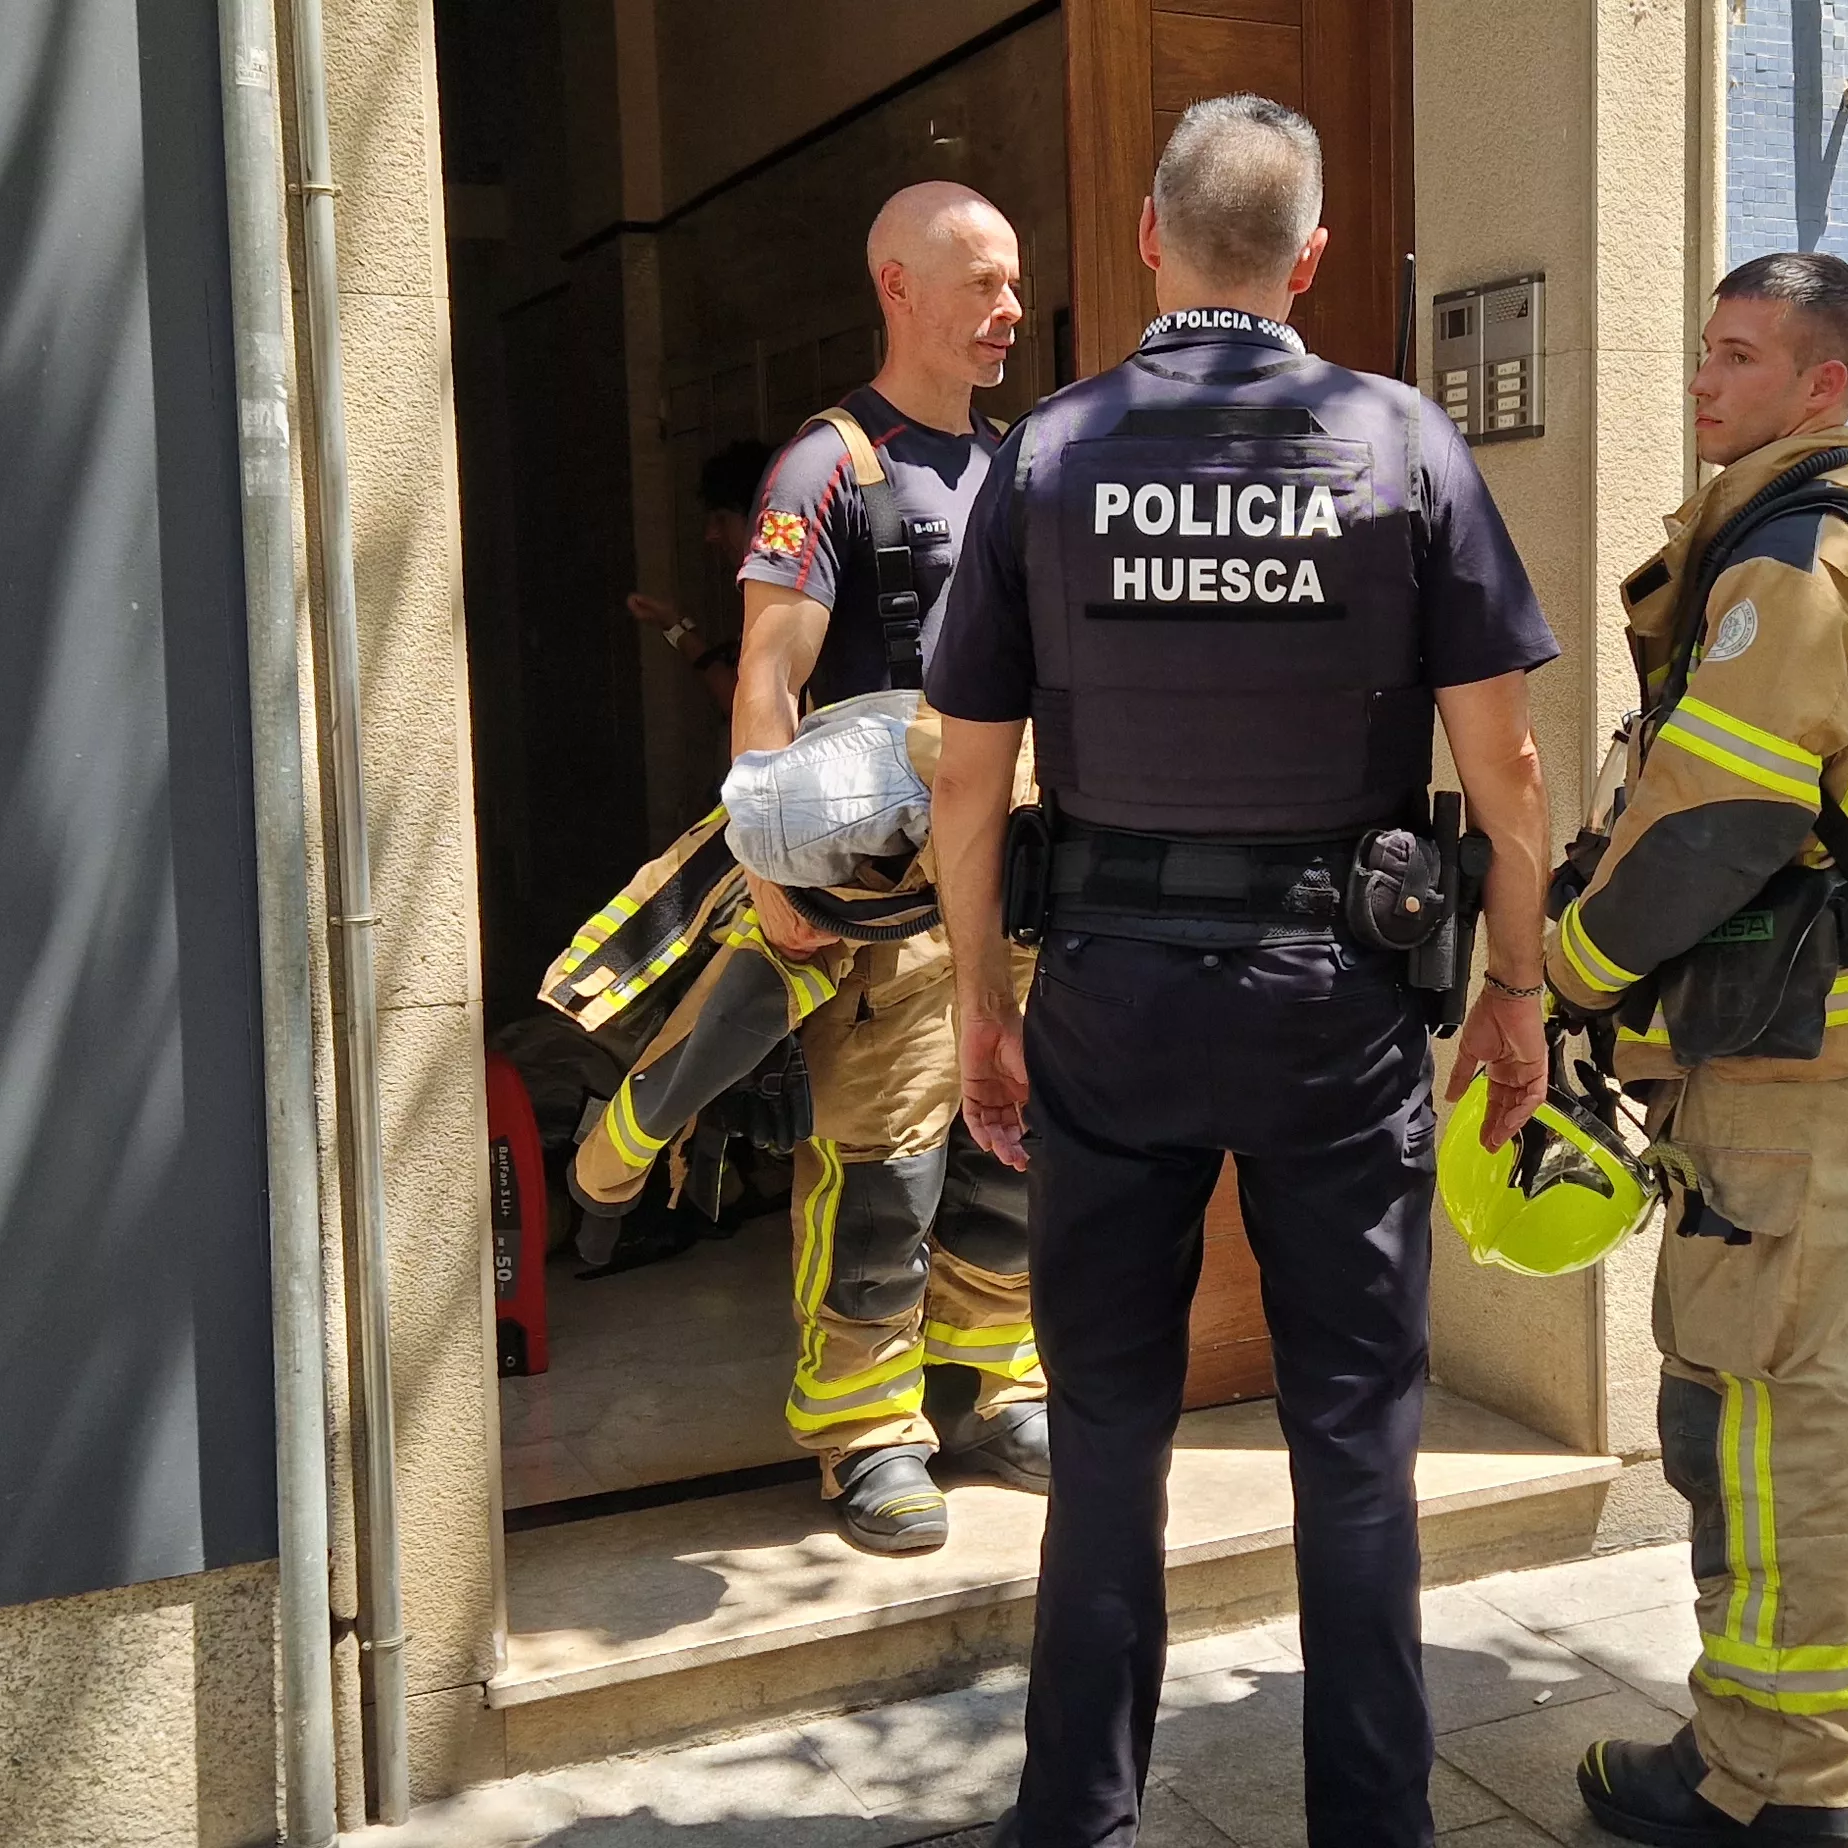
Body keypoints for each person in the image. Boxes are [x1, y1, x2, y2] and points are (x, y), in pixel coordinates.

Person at [923, 94, 1560, 1848]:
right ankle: (1375, 1824)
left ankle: (1075, 1819)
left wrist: (986, 997)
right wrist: (1516, 985)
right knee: (1355, 1439)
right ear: (1315, 258)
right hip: (1335, 1013)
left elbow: (965, 771)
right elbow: (1507, 771)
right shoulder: (1403, 441)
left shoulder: (1044, 457)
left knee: (1109, 1435)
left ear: (1146, 237)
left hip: (1114, 1005)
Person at [1553, 251, 1848, 1847]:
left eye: (1739, 358)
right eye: (1706, 352)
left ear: (1826, 388)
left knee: (1760, 1398)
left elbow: (1713, 821)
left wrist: (1574, 964)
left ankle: (1774, 1774)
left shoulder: (1789, 565)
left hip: (1785, 1073)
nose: (1701, 381)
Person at [690, 179, 1044, 1553]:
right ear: (897, 286)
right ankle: (866, 1429)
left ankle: (999, 1379)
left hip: (1015, 875)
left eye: (1013, 284)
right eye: (981, 283)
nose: (1008, 310)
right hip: (885, 896)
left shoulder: (1019, 464)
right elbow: (765, 679)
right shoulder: (824, 469)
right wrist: (774, 873)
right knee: (883, 1162)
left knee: (1015, 1145)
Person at [629, 438, 776, 699]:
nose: (710, 535)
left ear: (760, 516)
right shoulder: (765, 588)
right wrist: (673, 625)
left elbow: (740, 700)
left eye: (721, 520)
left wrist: (675, 628)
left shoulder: (787, 595)